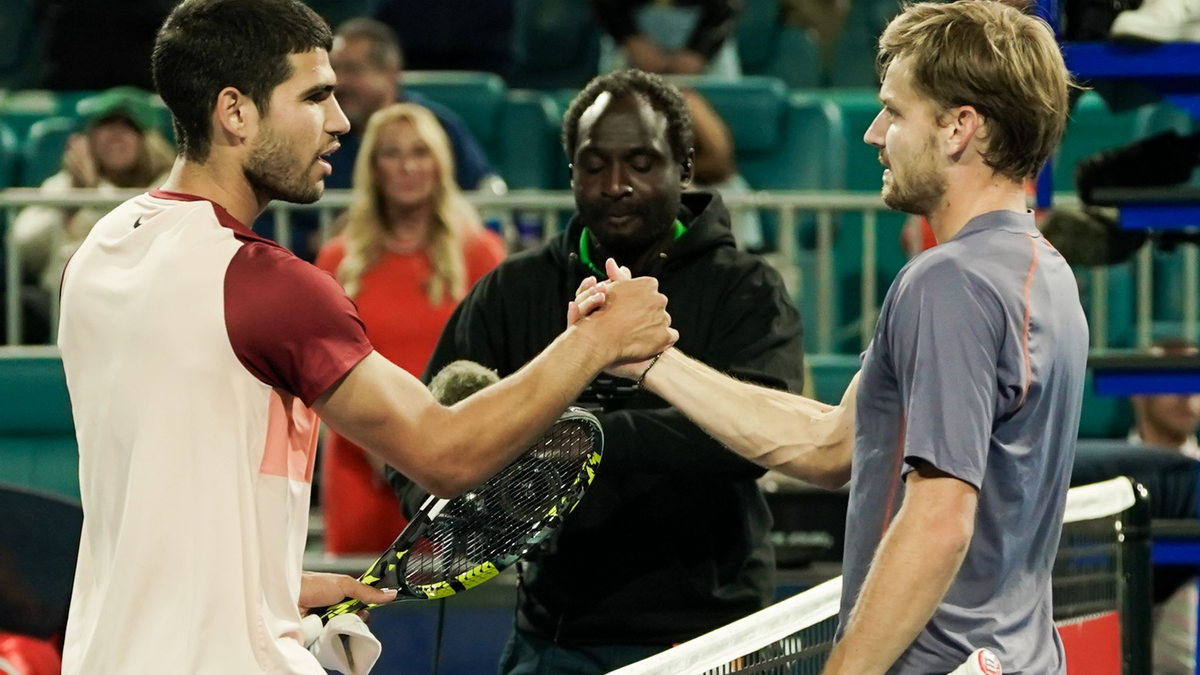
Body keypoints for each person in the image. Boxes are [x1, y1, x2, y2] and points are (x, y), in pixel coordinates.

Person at [54, 1, 675, 673]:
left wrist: (268, 588)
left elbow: (154, 496)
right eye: (314, 96)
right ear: (235, 112)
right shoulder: (266, 284)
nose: (341, 120)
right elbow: (444, 454)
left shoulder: (100, 251)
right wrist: (597, 341)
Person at [575, 2, 1084, 673]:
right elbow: (832, 443)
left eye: (894, 112)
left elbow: (938, 521)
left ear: (959, 127)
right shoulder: (1042, 272)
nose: (874, 133)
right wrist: (653, 360)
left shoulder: (949, 283)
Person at [406, 68, 805, 674]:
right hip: (554, 639)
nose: (616, 184)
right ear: (571, 171)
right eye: (594, 165)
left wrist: (578, 438)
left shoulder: (747, 289)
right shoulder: (511, 291)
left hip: (711, 637)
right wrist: (458, 512)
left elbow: (757, 439)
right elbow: (424, 439)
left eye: (641, 163)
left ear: (685, 167)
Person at [315, 102, 507, 554]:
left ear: (439, 164)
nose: (406, 166)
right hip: (360, 467)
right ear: (373, 168)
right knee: (358, 595)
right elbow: (319, 373)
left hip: (455, 472)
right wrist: (386, 451)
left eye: (420, 152)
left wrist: (445, 453)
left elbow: (500, 365)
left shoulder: (481, 254)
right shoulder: (337, 260)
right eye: (392, 153)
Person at [14, 87, 174, 299]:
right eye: (106, 124)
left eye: (129, 126)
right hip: (61, 301)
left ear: (150, 140)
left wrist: (94, 195)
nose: (116, 135)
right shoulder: (67, 183)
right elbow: (22, 247)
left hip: (139, 299)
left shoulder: (168, 187)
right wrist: (74, 202)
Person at [328, 18, 505, 194]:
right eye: (334, 69)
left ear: (390, 73)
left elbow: (486, 186)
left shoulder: (435, 126)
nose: (339, 82)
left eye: (353, 70)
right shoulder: (324, 130)